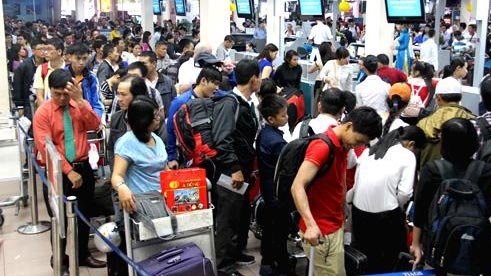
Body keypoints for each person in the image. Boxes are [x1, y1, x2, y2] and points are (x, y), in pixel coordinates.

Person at [291, 106, 382, 275]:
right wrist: (310, 225)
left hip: (333, 224)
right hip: (320, 230)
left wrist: (343, 206)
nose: (358, 146)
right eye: (358, 140)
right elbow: (297, 186)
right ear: (348, 126)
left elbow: (339, 179)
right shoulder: (322, 146)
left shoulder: (342, 145)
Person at [33, 69, 105, 273]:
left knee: (84, 215)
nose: (62, 98)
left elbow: (95, 125)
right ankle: (60, 259)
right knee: (60, 219)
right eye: (57, 94)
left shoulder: (78, 105)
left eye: (66, 93)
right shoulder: (43, 113)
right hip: (58, 173)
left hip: (84, 167)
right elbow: (45, 146)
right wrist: (67, 171)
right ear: (51, 91)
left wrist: (80, 101)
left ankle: (82, 254)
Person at [410, 118, 491, 274]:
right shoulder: (485, 171)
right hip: (476, 244)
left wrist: (416, 244)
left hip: (436, 245)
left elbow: (420, 209)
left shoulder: (432, 170)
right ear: (474, 141)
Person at [348, 126, 426, 273]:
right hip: (385, 219)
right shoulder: (407, 155)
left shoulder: (370, 150)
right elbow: (405, 193)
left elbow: (357, 183)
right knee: (389, 262)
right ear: (411, 144)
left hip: (358, 215)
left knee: (365, 261)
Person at [109, 95, 168, 276]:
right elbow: (116, 176)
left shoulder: (156, 139)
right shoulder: (127, 143)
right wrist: (122, 187)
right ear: (143, 120)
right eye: (155, 116)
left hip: (163, 203)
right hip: (141, 207)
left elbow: (163, 169)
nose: (159, 119)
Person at [212, 59, 261, 276]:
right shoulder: (229, 103)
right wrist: (234, 168)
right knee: (228, 218)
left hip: (244, 168)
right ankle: (224, 266)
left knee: (240, 213)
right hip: (230, 171)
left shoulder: (247, 103)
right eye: (259, 77)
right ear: (253, 79)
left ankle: (236, 251)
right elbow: (222, 139)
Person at [417, 57, 474, 168]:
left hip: (431, 177)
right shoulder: (472, 122)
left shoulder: (423, 124)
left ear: (438, 98)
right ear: (461, 97)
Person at [255, 94, 291, 276]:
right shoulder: (276, 141)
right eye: (283, 115)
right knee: (279, 229)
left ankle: (268, 260)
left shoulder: (265, 134)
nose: (287, 117)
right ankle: (280, 264)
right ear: (271, 118)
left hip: (268, 189)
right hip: (277, 191)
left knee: (270, 227)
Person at [166, 66, 222, 170]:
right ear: (203, 81)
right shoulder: (180, 102)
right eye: (215, 84)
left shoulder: (216, 100)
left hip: (210, 159)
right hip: (186, 159)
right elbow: (170, 130)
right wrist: (171, 157)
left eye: (219, 85)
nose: (217, 88)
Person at [65, 43, 104, 118]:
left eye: (84, 58)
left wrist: (96, 119)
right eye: (78, 58)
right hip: (67, 118)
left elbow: (97, 103)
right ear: (69, 57)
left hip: (87, 117)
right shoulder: (61, 76)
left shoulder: (91, 77)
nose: (81, 62)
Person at [12, 40, 45, 120]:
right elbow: (17, 86)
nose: (43, 51)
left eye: (45, 49)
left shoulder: (48, 64)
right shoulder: (24, 66)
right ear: (33, 51)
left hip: (45, 99)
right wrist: (20, 105)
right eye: (40, 49)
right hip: (29, 101)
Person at [138, 51, 177, 118]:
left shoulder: (167, 82)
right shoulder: (137, 82)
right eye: (139, 64)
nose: (140, 67)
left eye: (143, 63)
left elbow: (174, 103)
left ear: (154, 64)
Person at [33, 38, 66, 106]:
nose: (45, 52)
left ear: (59, 51)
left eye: (49, 49)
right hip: (47, 109)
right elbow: (39, 96)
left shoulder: (68, 68)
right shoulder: (41, 69)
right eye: (45, 49)